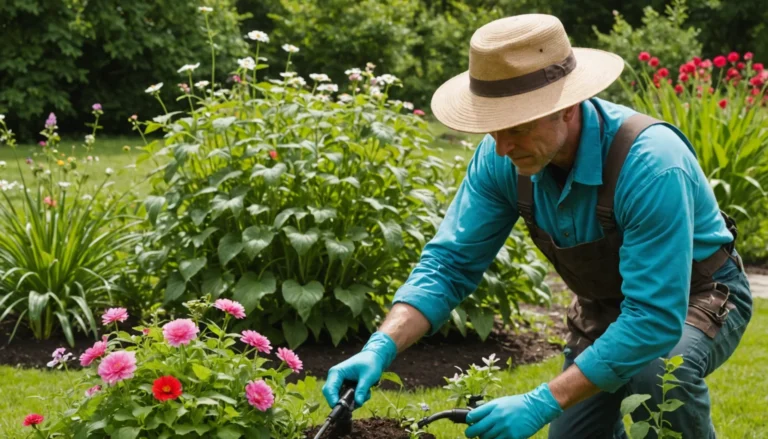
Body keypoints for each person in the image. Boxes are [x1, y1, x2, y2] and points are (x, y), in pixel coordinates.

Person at [322, 13, 753, 439]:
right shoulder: (503, 159)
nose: (503, 146)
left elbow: (654, 318)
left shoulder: (650, 163)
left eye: (518, 128)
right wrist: (380, 346)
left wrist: (541, 401)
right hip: (606, 307)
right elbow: (449, 264)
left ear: (565, 107)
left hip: (698, 296)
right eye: (493, 129)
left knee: (658, 374)